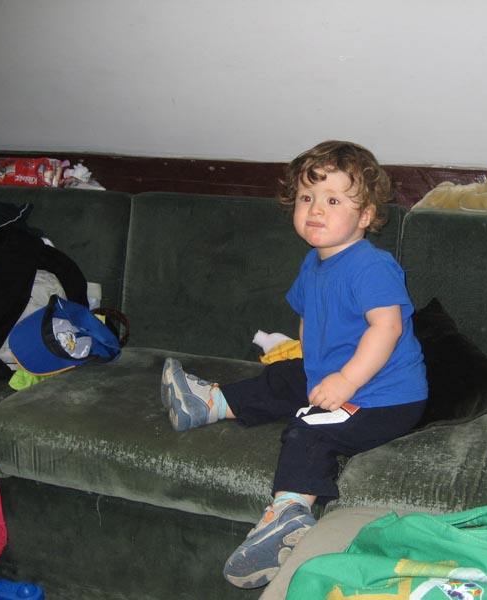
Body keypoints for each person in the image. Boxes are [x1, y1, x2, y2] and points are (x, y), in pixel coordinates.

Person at [160, 140, 428, 589]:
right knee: (282, 377)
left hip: (384, 397)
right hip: (334, 376)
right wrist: (313, 365)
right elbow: (309, 320)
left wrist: (345, 381)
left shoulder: (372, 266)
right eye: (307, 197)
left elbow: (387, 328)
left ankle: (288, 515)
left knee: (308, 429)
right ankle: (208, 403)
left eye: (333, 200)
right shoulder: (312, 262)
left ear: (365, 215)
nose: (315, 209)